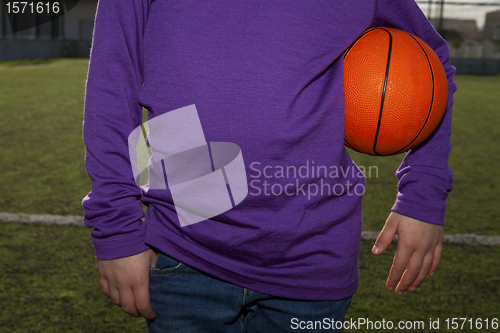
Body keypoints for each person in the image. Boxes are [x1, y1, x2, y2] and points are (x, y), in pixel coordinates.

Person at [82, 0, 456, 332]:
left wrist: (423, 193)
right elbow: (114, 85)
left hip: (311, 256)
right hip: (184, 245)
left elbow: (432, 59)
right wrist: (117, 232)